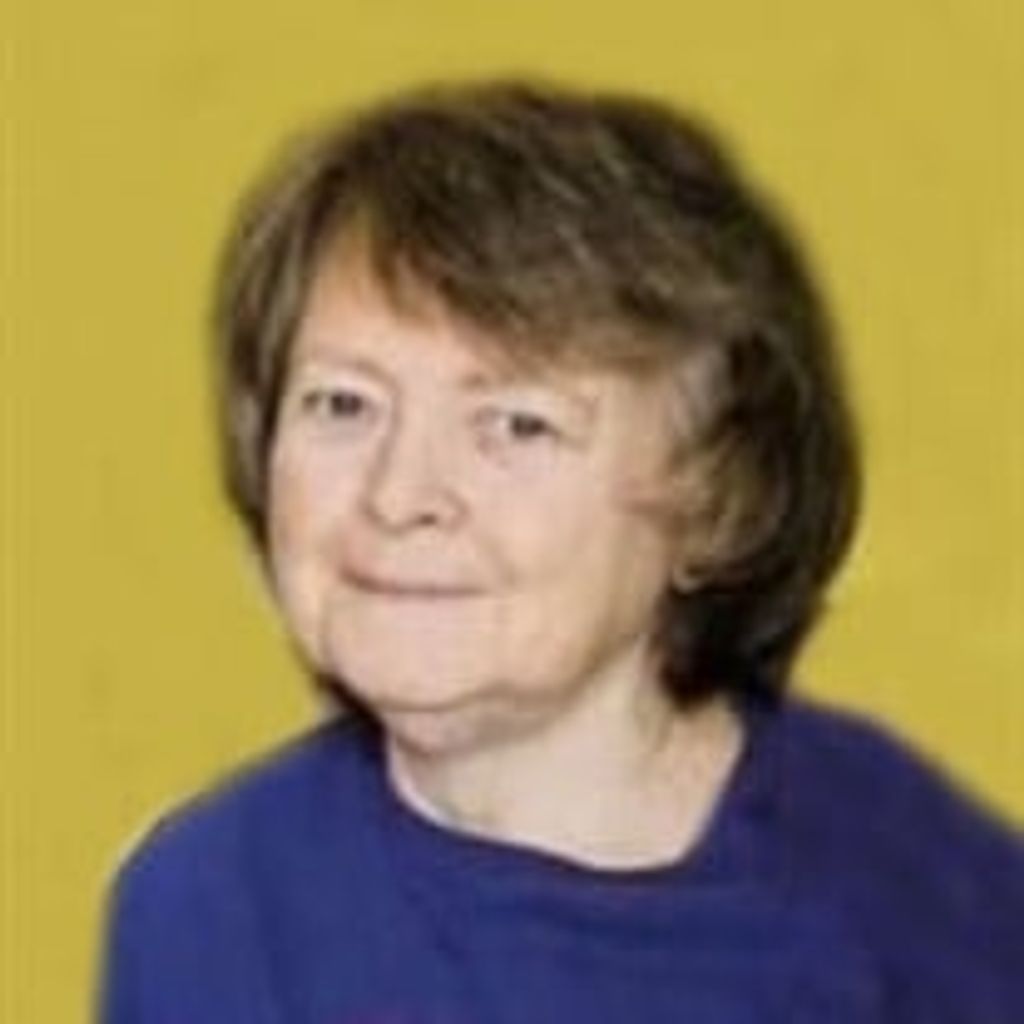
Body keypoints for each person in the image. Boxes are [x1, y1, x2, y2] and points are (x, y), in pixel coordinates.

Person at [98, 80, 1023, 1023]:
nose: (399, 496)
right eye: (343, 405)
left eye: (517, 424)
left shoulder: (916, 894)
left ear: (719, 500)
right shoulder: (205, 906)